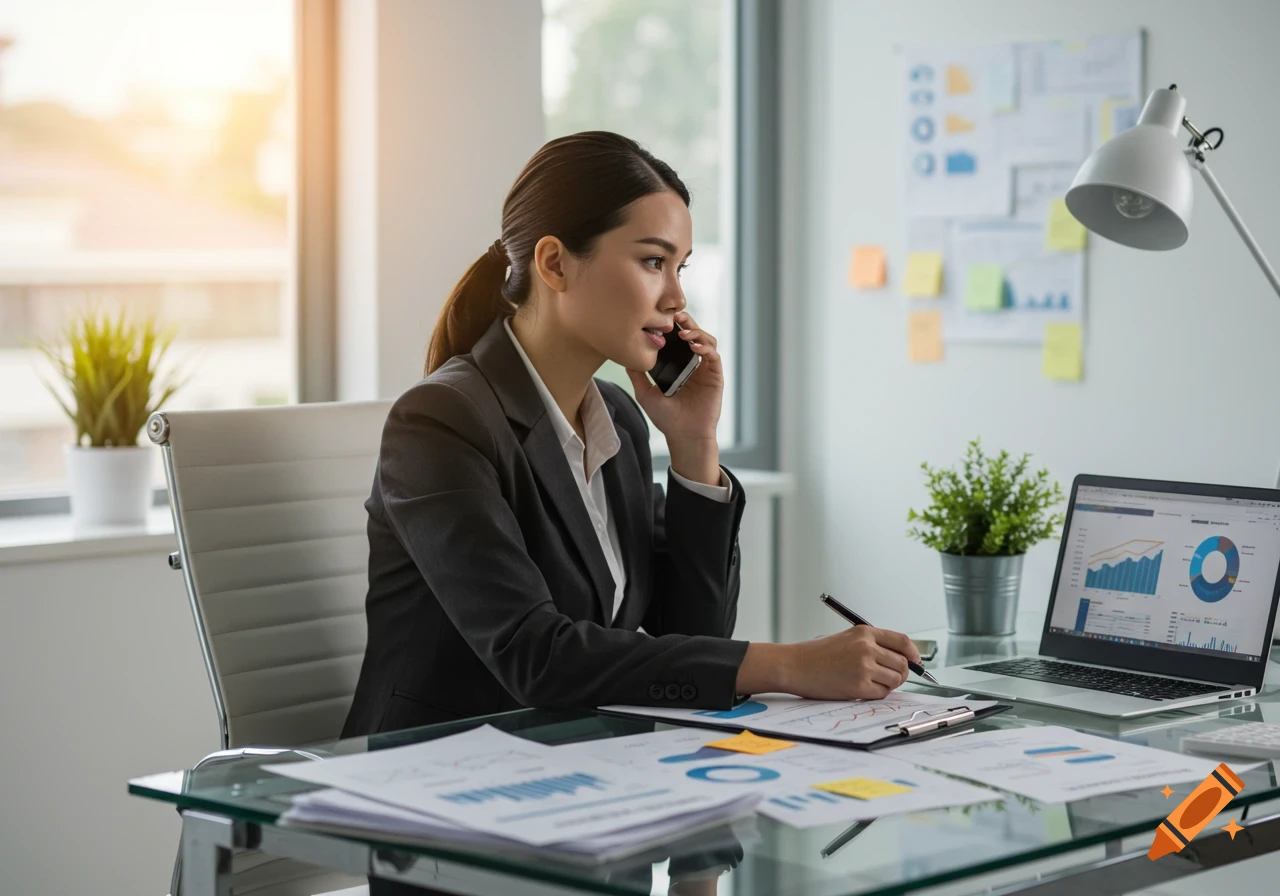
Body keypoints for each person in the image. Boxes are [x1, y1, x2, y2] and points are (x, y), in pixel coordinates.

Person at [343, 130, 920, 742]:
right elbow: (534, 655)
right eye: (653, 261)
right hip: (434, 780)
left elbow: (696, 633)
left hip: (579, 765)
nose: (677, 297)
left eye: (680, 267)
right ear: (555, 263)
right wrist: (789, 665)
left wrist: (695, 444)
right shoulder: (441, 422)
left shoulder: (617, 418)